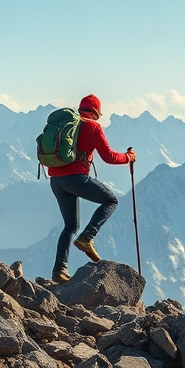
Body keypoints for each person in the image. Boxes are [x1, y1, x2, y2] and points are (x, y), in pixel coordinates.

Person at [47, 94, 135, 283]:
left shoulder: (67, 125)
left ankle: (59, 271)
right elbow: (109, 157)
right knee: (111, 200)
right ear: (96, 112)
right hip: (75, 178)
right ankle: (87, 237)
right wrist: (128, 157)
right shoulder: (93, 126)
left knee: (70, 226)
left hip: (55, 180)